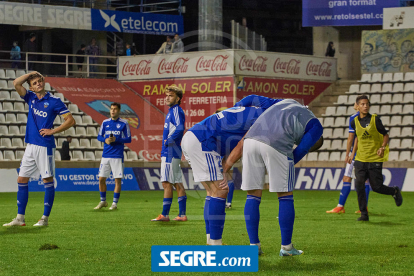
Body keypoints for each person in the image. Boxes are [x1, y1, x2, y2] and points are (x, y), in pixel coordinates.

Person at [222, 99, 324, 256]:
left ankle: (254, 246)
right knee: (285, 196)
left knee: (252, 196)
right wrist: (285, 165)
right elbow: (302, 148)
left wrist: (236, 109)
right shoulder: (317, 127)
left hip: (250, 140)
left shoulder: (285, 101)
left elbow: (251, 97)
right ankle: (287, 248)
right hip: (276, 143)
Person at [181, 95, 282, 245]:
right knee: (221, 191)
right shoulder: (264, 119)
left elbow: (230, 141)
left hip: (196, 137)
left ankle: (211, 240)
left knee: (212, 192)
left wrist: (224, 165)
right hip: (204, 142)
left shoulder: (249, 112)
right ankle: (216, 244)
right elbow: (242, 144)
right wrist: (225, 168)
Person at [3, 71, 76, 227]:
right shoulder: (30, 98)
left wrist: (53, 131)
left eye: (39, 81)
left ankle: (44, 218)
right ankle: (20, 218)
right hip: (30, 145)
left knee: (47, 180)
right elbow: (16, 83)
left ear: (44, 82)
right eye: (34, 83)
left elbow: (71, 120)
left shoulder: (55, 101)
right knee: (21, 179)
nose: (38, 84)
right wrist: (31, 73)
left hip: (45, 146)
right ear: (31, 87)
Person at [348, 95, 402, 221]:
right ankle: (364, 214)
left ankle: (394, 191)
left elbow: (385, 135)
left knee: (377, 187)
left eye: (367, 104)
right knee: (359, 185)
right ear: (357, 106)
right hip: (360, 159)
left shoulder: (375, 119)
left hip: (374, 158)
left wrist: (382, 147)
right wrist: (352, 153)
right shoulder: (354, 121)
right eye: (362, 104)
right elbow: (357, 138)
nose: (365, 106)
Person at [326, 103, 371, 214]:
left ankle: (340, 207)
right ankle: (363, 207)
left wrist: (348, 154)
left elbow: (351, 137)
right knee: (364, 180)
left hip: (356, 154)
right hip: (367, 153)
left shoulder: (354, 117)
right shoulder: (371, 118)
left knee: (347, 178)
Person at [151, 85, 187, 222]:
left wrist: (169, 140)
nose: (167, 97)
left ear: (178, 99)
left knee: (166, 182)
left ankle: (165, 215)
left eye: (170, 95)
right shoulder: (172, 111)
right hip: (173, 152)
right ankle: (182, 215)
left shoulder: (176, 111)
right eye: (166, 95)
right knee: (177, 183)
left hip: (170, 152)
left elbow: (180, 128)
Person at [95, 103, 131, 210]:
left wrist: (117, 139)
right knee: (101, 179)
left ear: (119, 111)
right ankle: (103, 201)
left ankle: (114, 204)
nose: (113, 111)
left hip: (117, 156)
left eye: (115, 109)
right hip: (106, 155)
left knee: (117, 180)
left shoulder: (124, 123)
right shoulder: (105, 123)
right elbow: (99, 136)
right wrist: (105, 140)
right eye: (111, 109)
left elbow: (129, 139)